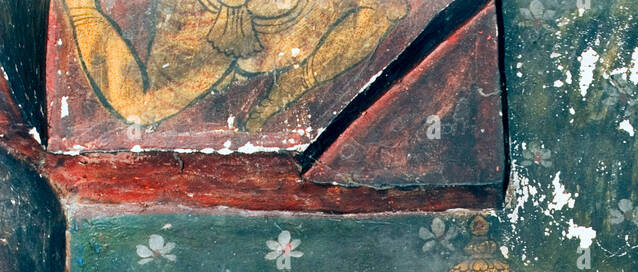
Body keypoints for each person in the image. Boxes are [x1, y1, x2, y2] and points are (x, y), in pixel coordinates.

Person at [61, 0, 408, 132]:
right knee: (138, 105)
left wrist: (280, 96)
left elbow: (382, 12)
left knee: (138, 106)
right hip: (210, 26)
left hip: (259, 29)